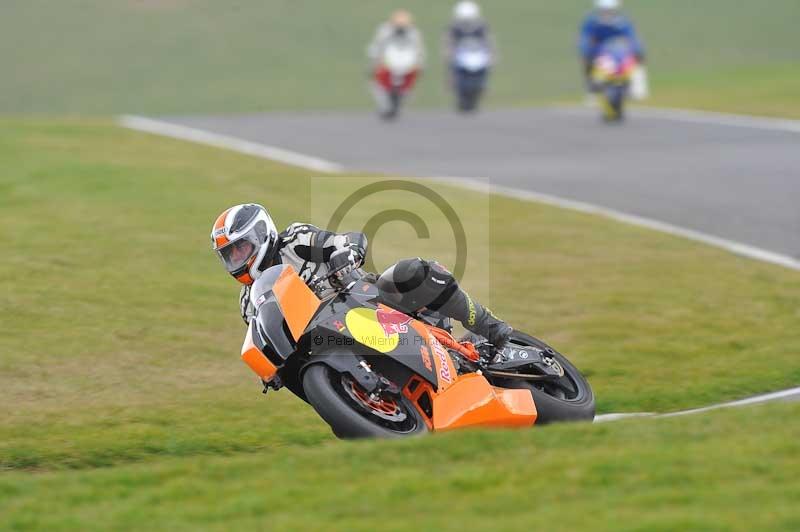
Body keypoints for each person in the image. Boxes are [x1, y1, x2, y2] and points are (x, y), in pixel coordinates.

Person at [210, 204, 512, 360]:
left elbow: (342, 240)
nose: (237, 258)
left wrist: (346, 253)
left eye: (241, 248)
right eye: (230, 255)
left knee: (409, 272)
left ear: (262, 234)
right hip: (330, 342)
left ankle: (490, 326)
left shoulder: (294, 240)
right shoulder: (248, 303)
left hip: (367, 301)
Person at [578, 0, 645, 94]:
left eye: (610, 11)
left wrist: (638, 50)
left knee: (637, 63)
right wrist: (585, 50)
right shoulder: (592, 22)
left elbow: (632, 38)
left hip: (619, 53)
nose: (607, 14)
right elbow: (584, 38)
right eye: (604, 11)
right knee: (587, 64)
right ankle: (591, 87)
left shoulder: (622, 22)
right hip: (599, 53)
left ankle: (638, 90)